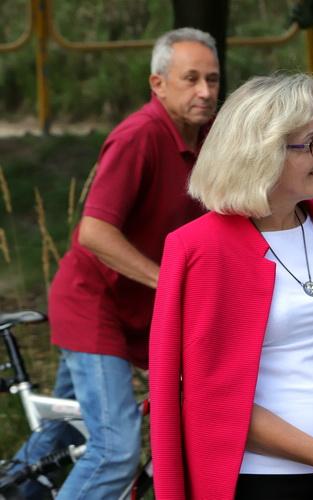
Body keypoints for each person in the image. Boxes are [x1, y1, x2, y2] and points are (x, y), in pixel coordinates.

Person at [148, 73, 313, 500]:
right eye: (312, 143)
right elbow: (213, 398)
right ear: (261, 153)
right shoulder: (201, 249)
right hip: (266, 480)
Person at [11, 27, 219, 498]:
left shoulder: (210, 138)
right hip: (93, 305)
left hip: (138, 308)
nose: (205, 91)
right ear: (157, 83)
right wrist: (168, 281)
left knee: (64, 433)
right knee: (115, 450)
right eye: (190, 79)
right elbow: (94, 232)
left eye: (212, 79)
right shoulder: (139, 136)